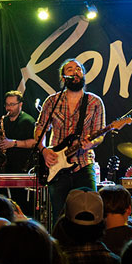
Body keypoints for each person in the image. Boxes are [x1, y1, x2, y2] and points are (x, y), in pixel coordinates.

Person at [34, 58, 105, 224]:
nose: (75, 72)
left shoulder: (94, 102)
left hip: (84, 163)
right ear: (63, 77)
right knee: (60, 217)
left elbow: (100, 134)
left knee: (91, 213)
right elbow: (39, 129)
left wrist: (92, 143)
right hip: (56, 166)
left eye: (79, 69)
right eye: (70, 69)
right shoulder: (52, 101)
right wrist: (44, 151)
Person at [0, 90, 36, 173]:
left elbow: (35, 142)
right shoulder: (5, 120)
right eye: (7, 104)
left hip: (23, 166)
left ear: (20, 104)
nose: (8, 108)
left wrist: (13, 143)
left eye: (12, 104)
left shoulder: (28, 121)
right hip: (8, 164)